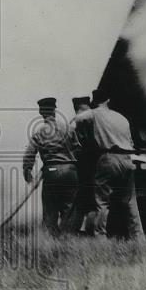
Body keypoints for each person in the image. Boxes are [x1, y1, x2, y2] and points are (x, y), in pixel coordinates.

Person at [82, 88, 145, 240]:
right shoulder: (122, 118)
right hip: (127, 159)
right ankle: (138, 239)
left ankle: (100, 239)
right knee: (130, 202)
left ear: (94, 101)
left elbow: (78, 120)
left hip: (108, 158)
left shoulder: (93, 114)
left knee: (102, 201)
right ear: (108, 100)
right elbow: (130, 142)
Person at [22, 97, 80, 236]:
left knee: (50, 210)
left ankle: (51, 242)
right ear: (54, 110)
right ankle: (68, 241)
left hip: (51, 172)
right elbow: (78, 149)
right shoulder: (69, 128)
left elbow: (29, 154)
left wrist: (27, 171)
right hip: (70, 171)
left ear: (41, 112)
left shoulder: (39, 132)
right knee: (69, 208)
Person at [67, 96, 97, 233]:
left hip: (81, 165)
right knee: (93, 200)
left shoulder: (74, 122)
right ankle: (91, 229)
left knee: (81, 200)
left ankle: (74, 231)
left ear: (76, 107)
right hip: (96, 163)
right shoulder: (95, 118)